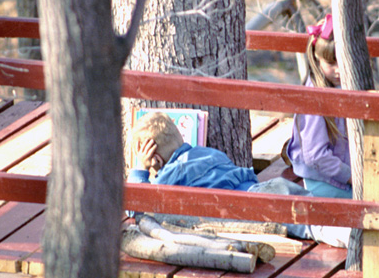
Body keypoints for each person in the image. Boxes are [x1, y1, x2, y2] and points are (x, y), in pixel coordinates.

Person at [127, 111, 348, 247]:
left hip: (249, 207)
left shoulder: (169, 177)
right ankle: (355, 225)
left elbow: (139, 208)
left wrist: (140, 169)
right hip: (262, 188)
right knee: (318, 209)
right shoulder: (207, 152)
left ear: (155, 158)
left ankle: (355, 239)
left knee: (312, 227)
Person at [283, 13, 353, 247]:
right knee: (375, 205)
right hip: (323, 182)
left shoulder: (343, 84)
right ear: (316, 57)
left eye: (343, 62)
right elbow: (315, 156)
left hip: (342, 173)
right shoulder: (315, 97)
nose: (339, 70)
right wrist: (350, 176)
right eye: (331, 64)